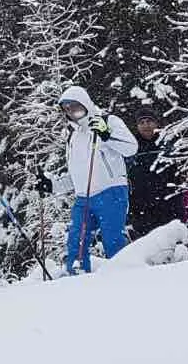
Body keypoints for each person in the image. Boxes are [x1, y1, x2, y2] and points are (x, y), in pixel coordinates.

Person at [34, 85, 137, 275]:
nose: (72, 112)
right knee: (76, 240)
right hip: (84, 198)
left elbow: (131, 147)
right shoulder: (73, 136)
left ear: (86, 104)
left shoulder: (108, 121)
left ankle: (124, 277)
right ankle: (78, 278)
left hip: (111, 191)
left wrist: (107, 135)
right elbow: (77, 175)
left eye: (75, 106)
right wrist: (52, 185)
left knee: (112, 239)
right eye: (67, 109)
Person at [125, 111, 184, 240]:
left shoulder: (167, 142)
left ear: (156, 123)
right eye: (142, 122)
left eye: (149, 121)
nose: (146, 125)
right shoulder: (131, 145)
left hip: (168, 203)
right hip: (140, 205)